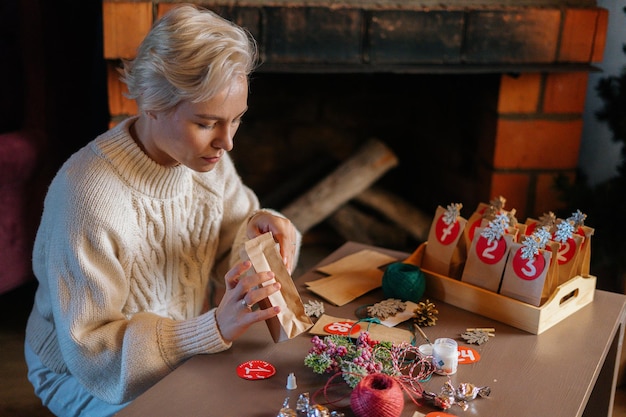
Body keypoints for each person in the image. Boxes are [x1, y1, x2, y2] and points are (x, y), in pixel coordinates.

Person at [24, 5, 301, 416]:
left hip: (181, 346)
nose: (227, 143)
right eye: (207, 123)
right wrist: (210, 330)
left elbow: (231, 241)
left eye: (236, 120)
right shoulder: (86, 195)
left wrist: (258, 232)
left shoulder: (206, 160)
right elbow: (92, 353)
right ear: (153, 104)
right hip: (83, 374)